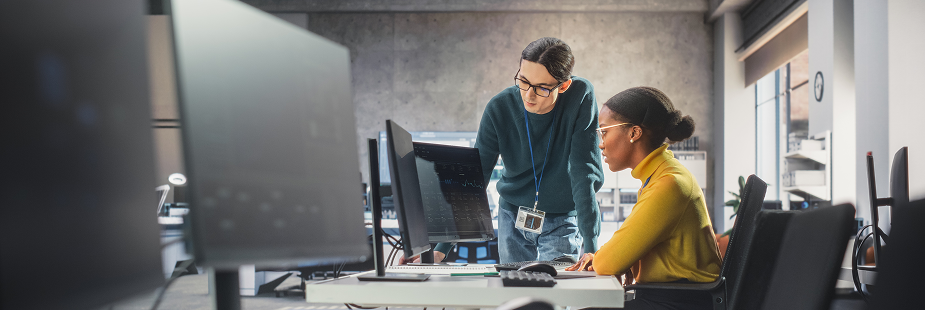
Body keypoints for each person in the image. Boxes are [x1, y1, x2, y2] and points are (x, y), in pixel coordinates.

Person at [404, 37, 604, 264]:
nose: (528, 95)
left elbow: (583, 171)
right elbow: (475, 176)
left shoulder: (580, 97)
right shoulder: (500, 108)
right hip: (513, 214)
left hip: (561, 217)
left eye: (541, 88)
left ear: (564, 85)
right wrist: (441, 248)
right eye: (523, 81)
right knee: (513, 291)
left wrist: (591, 246)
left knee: (553, 293)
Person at [565, 86, 722, 310]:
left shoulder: (669, 184)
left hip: (678, 302)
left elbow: (609, 263)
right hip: (672, 296)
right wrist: (609, 258)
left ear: (634, 133)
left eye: (605, 131)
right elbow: (627, 246)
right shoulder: (662, 175)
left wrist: (602, 258)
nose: (601, 143)